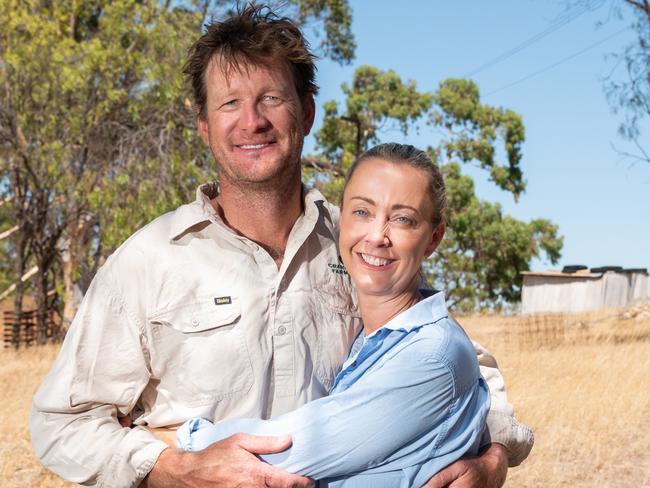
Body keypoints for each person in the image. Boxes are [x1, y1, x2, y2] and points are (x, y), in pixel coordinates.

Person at [30, 5, 533, 488]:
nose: (252, 121)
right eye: (229, 102)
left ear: (306, 112)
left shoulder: (359, 246)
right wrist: (170, 467)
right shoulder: (148, 261)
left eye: (271, 97)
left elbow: (461, 363)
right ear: (204, 126)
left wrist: (493, 459)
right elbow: (61, 424)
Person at [176, 143, 492, 487]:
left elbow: (280, 450)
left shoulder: (433, 354)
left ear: (433, 238)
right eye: (362, 212)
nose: (377, 235)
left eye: (402, 219)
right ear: (341, 218)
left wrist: (167, 440)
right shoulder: (371, 338)